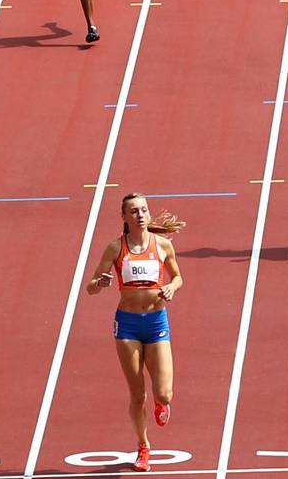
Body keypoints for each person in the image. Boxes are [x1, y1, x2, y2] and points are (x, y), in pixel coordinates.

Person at [86, 193, 184, 473]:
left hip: (156, 322)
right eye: (134, 211)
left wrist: (171, 288)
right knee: (136, 393)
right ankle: (143, 447)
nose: (140, 214)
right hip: (127, 324)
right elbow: (90, 287)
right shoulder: (116, 248)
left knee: (164, 393)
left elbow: (178, 276)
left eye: (144, 209)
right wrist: (101, 282)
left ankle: (160, 404)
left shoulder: (163, 245)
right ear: (125, 218)